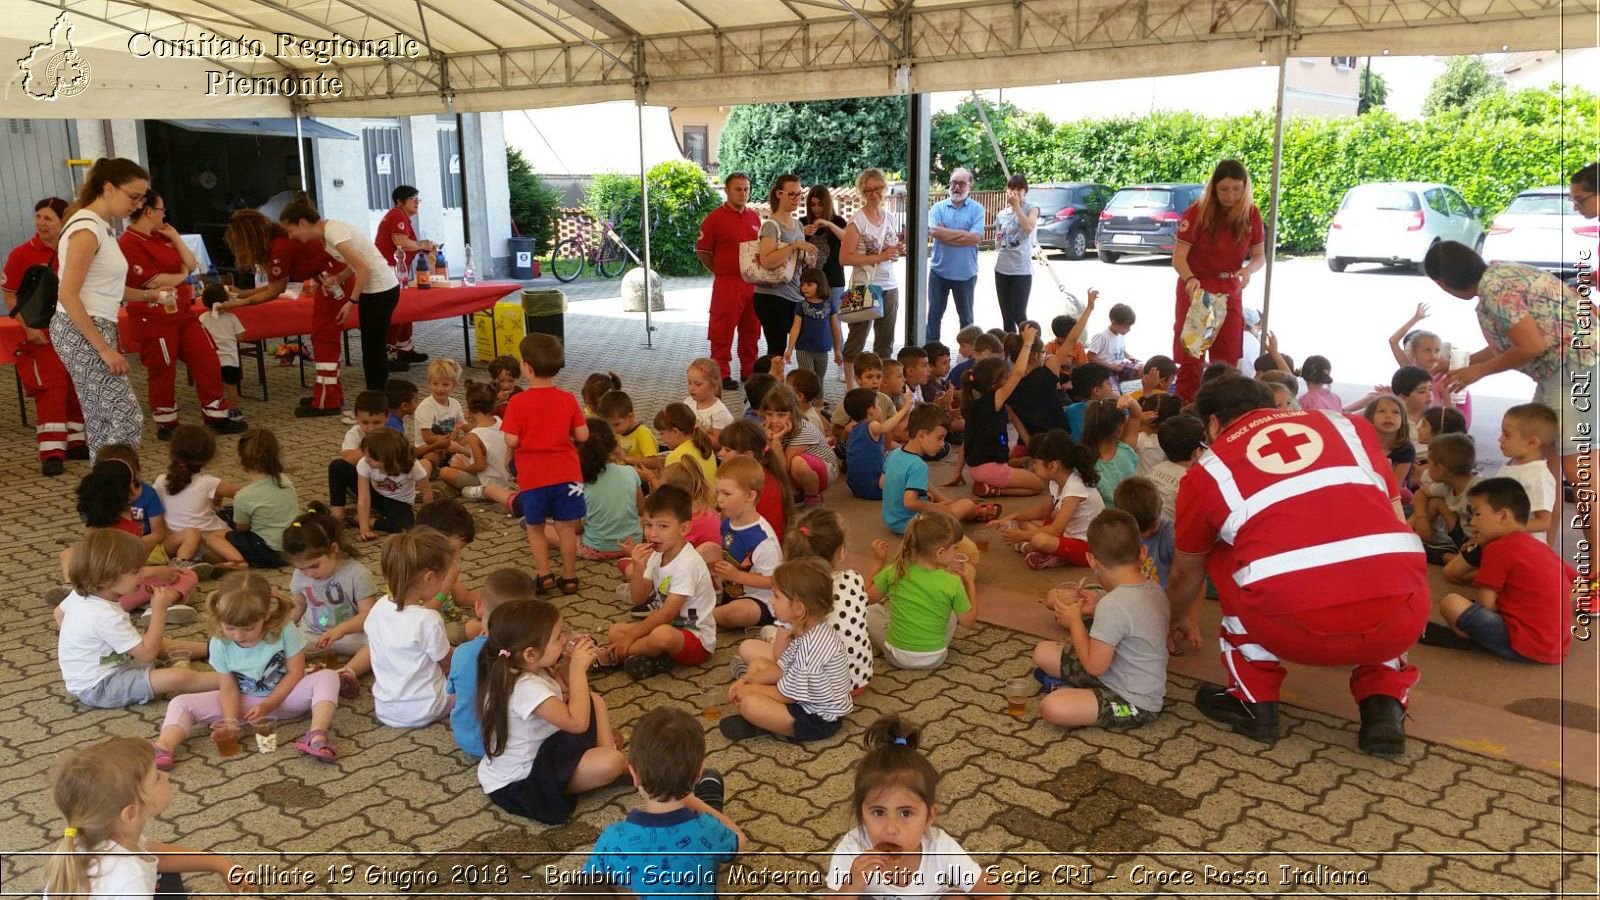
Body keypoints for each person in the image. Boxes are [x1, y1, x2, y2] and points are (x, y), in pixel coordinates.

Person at [1168, 376, 1428, 756]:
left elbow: (1185, 571)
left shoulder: (1206, 471)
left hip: (1288, 627)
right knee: (1381, 563)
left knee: (1226, 549)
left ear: (1211, 424)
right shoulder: (1348, 426)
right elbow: (1395, 516)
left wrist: (1172, 618)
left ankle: (1253, 700)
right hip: (1401, 616)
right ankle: (1383, 704)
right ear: (1272, 405)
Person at [1424, 239, 1596, 561]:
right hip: (1557, 370)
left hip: (1577, 365)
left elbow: (1529, 344)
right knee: (1543, 460)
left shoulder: (1494, 291)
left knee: (1579, 469)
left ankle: (1595, 574)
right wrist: (1470, 364)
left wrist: (1481, 371)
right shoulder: (1498, 276)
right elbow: (1513, 340)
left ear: (1443, 282)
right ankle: (1544, 556)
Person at [152, 572, 341, 769]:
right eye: (231, 627)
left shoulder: (285, 629)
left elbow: (296, 672)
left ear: (266, 614)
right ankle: (164, 746)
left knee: (328, 676)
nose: (239, 636)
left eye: (249, 628)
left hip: (287, 697)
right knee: (181, 702)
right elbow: (228, 686)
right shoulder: (219, 643)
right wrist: (230, 720)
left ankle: (317, 735)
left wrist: (269, 705)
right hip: (246, 704)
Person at [477, 597, 627, 824]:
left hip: (545, 747)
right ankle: (614, 763)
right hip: (525, 781)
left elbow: (565, 692)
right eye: (558, 637)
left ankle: (606, 755)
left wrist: (567, 662)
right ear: (530, 653)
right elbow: (577, 722)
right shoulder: (525, 687)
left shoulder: (528, 667)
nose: (564, 639)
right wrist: (578, 668)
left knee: (592, 700)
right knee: (610, 762)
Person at [825, 715, 1007, 897]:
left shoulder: (939, 848)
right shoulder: (853, 849)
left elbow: (994, 893)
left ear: (929, 816)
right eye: (878, 812)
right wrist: (851, 886)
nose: (891, 828)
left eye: (905, 813)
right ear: (861, 812)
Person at [45, 738, 244, 899]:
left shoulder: (88, 838)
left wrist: (219, 864)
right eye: (156, 777)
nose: (165, 775)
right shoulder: (131, 879)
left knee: (162, 871)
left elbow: (160, 856)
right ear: (130, 813)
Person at [1031, 509, 1170, 729]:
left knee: (1052, 707)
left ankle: (1068, 692)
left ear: (1091, 560)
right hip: (1114, 672)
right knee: (1043, 652)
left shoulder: (1113, 605)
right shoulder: (1154, 589)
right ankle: (1075, 693)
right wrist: (1098, 607)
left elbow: (1094, 666)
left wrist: (1074, 622)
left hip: (1135, 702)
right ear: (1143, 553)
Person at [119, 189, 240, 438]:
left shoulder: (163, 236)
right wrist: (182, 276)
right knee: (163, 367)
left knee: (206, 356)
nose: (165, 215)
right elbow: (153, 280)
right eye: (162, 210)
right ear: (150, 211)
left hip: (182, 313)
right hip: (152, 316)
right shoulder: (129, 243)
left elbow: (192, 264)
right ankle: (166, 421)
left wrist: (175, 237)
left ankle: (215, 413)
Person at [53, 158, 152, 459]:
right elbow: (69, 295)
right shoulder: (87, 228)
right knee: (126, 418)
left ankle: (104, 496)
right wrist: (104, 350)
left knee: (101, 421)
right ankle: (115, 489)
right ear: (108, 188)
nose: (137, 205)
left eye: (142, 198)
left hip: (88, 327)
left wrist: (151, 295)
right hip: (81, 329)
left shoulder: (100, 227)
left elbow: (105, 287)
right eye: (133, 196)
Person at [583, 707, 745, 892]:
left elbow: (588, 888)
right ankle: (708, 795)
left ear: (634, 774)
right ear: (697, 773)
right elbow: (740, 841)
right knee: (711, 850)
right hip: (702, 839)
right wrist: (691, 801)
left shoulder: (612, 837)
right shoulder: (706, 828)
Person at [57, 530, 215, 708]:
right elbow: (148, 654)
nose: (142, 575)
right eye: (134, 572)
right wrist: (159, 611)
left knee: (155, 642)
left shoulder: (81, 594)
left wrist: (82, 642)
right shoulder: (105, 615)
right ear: (107, 577)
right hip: (101, 686)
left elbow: (58, 613)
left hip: (104, 666)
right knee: (177, 676)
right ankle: (231, 680)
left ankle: (214, 648)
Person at [222, 208, 349, 417]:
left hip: (333, 283)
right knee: (324, 339)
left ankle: (328, 401)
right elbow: (276, 284)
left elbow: (275, 290)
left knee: (325, 340)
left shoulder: (280, 246)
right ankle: (328, 393)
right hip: (329, 281)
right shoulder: (280, 241)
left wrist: (239, 303)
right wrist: (243, 294)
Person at [1439, 478, 1578, 664]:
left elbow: (1486, 604)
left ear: (1503, 516)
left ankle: (1473, 637)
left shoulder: (1497, 549)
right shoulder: (1541, 547)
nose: (1472, 522)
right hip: (1557, 647)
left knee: (1451, 603)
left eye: (1477, 514)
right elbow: (1578, 587)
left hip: (1525, 645)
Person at [721, 557, 853, 743]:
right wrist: (748, 680)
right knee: (759, 665)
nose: (771, 601)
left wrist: (751, 691)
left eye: (776, 596)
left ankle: (763, 723)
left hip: (817, 718)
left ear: (799, 608)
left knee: (750, 704)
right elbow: (782, 667)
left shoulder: (813, 645)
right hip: (801, 697)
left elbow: (788, 695)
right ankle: (765, 719)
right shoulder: (805, 629)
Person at [279, 193, 402, 392]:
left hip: (381, 289)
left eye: (291, 231)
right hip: (375, 290)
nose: (291, 236)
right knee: (371, 348)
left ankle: (377, 400)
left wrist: (351, 302)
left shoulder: (334, 232)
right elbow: (355, 265)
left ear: (302, 223)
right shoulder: (327, 236)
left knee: (373, 349)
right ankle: (376, 398)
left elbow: (364, 269)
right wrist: (339, 278)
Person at [1170, 160, 1267, 401]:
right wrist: (1190, 278)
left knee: (1227, 360)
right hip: (1198, 289)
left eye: (1236, 189)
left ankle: (1223, 412)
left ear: (1245, 187)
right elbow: (1178, 257)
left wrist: (1248, 271)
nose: (1230, 195)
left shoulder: (1251, 213)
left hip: (1230, 290)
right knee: (1191, 359)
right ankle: (1187, 413)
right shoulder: (1197, 212)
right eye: (1224, 189)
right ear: (1214, 187)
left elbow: (1259, 256)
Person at [2, 197, 86, 474]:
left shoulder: (74, 249)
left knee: (75, 385)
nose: (40, 223)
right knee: (51, 390)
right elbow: (11, 292)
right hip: (42, 333)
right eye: (38, 216)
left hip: (73, 330)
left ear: (63, 220)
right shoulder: (21, 254)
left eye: (48, 218)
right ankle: (52, 452)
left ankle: (75, 442)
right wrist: (28, 328)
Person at [501, 334, 589, 595]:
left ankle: (545, 575)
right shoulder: (568, 398)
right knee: (566, 527)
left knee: (535, 527)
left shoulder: (517, 402)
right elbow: (583, 435)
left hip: (534, 477)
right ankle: (570, 577)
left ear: (526, 367)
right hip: (568, 475)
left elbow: (512, 439)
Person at [603, 486, 719, 681]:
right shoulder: (656, 555)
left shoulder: (687, 563)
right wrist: (638, 568)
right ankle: (651, 657)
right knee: (615, 631)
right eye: (648, 525)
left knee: (661, 635)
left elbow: (667, 613)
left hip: (695, 638)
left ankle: (613, 655)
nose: (653, 534)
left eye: (663, 526)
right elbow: (638, 598)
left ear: (684, 528)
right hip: (665, 627)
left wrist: (630, 637)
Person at [365, 528, 455, 728]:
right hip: (426, 708)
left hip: (385, 708)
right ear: (429, 578)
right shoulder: (428, 619)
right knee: (475, 674)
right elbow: (448, 664)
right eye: (443, 578)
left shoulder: (378, 608)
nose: (443, 583)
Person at [283, 502, 375, 696]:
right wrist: (284, 621)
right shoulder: (300, 575)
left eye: (314, 566)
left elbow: (368, 614)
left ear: (333, 549)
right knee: (277, 645)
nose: (308, 573)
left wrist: (340, 630)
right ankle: (297, 675)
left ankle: (347, 673)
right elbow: (298, 604)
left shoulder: (357, 573)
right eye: (302, 569)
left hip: (350, 634)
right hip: (312, 634)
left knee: (381, 643)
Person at [867, 511, 978, 671]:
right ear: (939, 552)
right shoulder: (952, 582)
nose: (956, 552)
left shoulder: (895, 570)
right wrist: (970, 584)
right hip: (935, 658)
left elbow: (866, 598)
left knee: (871, 611)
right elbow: (969, 622)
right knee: (953, 613)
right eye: (955, 548)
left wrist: (878, 563)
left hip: (896, 657)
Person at [447, 569, 538, 759]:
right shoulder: (529, 656)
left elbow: (453, 695)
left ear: (478, 607)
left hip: (469, 742)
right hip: (512, 747)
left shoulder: (462, 652)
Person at [696, 172, 762, 389]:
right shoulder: (714, 218)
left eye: (746, 189)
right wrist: (720, 270)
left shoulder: (754, 217)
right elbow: (703, 251)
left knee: (751, 330)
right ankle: (721, 375)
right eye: (738, 189)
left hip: (751, 283)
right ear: (727, 190)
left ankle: (749, 371)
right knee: (721, 331)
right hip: (727, 284)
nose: (743, 193)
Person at [839, 169, 903, 388]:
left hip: (889, 285)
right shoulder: (857, 220)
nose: (874, 193)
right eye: (868, 190)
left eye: (877, 188)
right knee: (856, 340)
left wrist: (894, 251)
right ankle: (850, 388)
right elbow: (844, 257)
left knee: (885, 343)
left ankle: (881, 388)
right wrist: (882, 255)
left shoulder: (890, 217)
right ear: (862, 192)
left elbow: (889, 249)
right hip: (862, 286)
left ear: (884, 189)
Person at [155, 425, 246, 570]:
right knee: (231, 528)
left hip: (178, 542)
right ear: (208, 456)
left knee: (192, 533)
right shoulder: (208, 483)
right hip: (208, 542)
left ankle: (189, 563)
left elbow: (156, 512)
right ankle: (236, 563)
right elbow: (246, 494)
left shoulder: (161, 481)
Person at [753, 173, 817, 357]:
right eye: (792, 194)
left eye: (799, 194)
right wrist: (794, 246)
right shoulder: (771, 226)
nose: (797, 199)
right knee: (777, 349)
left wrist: (807, 257)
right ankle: (769, 384)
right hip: (772, 296)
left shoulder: (797, 225)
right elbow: (767, 260)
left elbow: (797, 261)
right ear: (779, 194)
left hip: (794, 294)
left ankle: (793, 384)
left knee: (804, 342)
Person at [374, 185, 437, 368]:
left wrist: (422, 246)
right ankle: (388, 355)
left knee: (405, 309)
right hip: (389, 272)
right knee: (396, 311)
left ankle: (405, 349)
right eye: (412, 199)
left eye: (418, 199)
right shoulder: (397, 215)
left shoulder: (403, 218)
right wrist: (421, 245)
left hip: (397, 272)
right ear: (399, 202)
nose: (417, 202)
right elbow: (400, 242)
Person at [924, 168, 985, 343]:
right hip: (939, 272)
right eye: (953, 183)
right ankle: (932, 353)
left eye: (961, 183)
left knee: (966, 320)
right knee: (934, 316)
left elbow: (975, 237)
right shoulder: (938, 207)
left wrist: (946, 233)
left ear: (969, 186)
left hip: (965, 274)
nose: (956, 187)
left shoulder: (977, 209)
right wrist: (961, 234)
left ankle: (968, 356)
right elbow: (935, 232)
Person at [227, 428, 298, 568]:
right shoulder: (285, 480)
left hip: (267, 551)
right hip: (291, 547)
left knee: (217, 536)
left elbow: (242, 529)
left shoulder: (244, 496)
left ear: (240, 457)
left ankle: (237, 562)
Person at [993, 174, 1039, 332]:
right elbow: (999, 241)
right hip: (1002, 268)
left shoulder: (1032, 207)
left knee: (1019, 314)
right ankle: (1010, 351)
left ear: (1025, 190)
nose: (1015, 192)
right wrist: (1000, 239)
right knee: (1006, 316)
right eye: (1012, 188)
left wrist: (1017, 207)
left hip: (1021, 271)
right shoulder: (1001, 214)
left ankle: (1030, 348)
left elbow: (1028, 228)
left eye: (1019, 189)